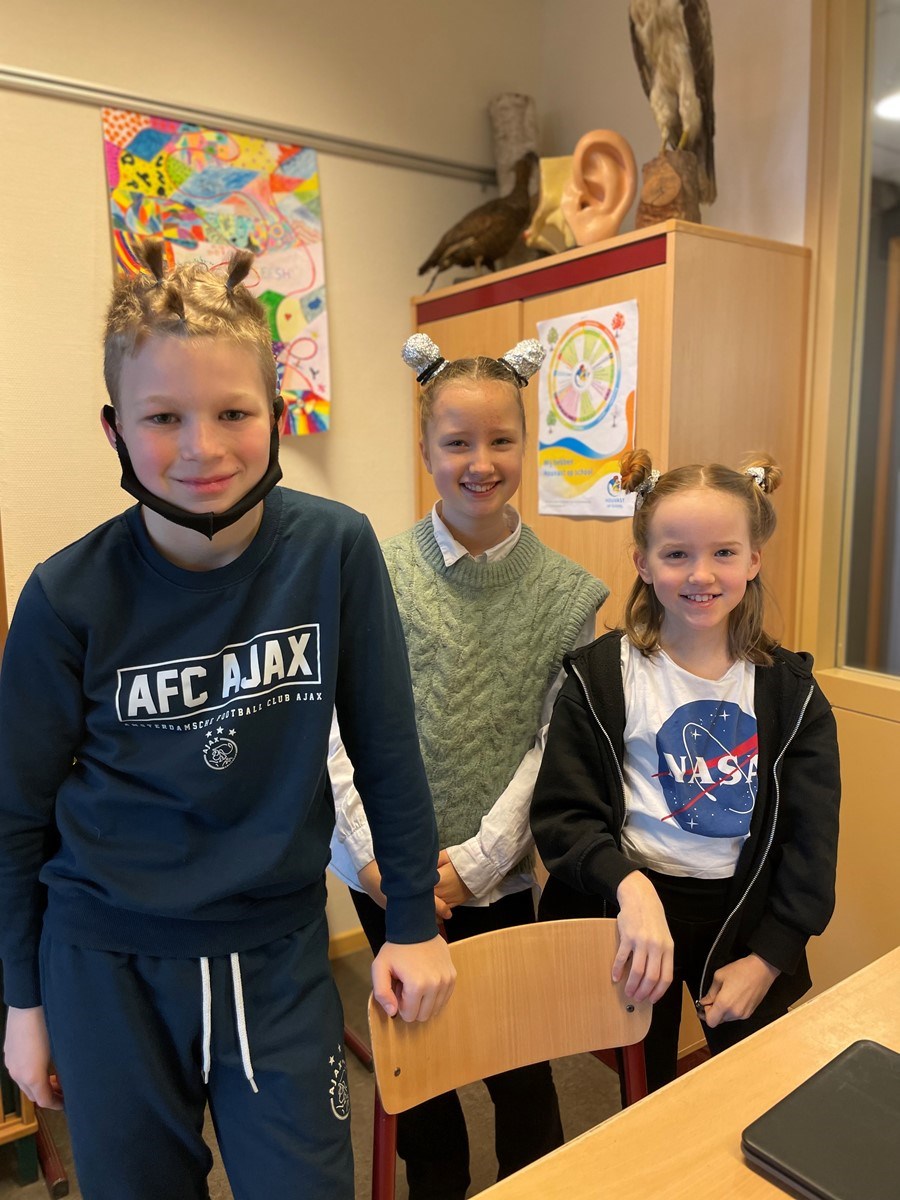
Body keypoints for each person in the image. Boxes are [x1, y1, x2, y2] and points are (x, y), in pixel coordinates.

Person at [0, 240, 455, 1200]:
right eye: (163, 416)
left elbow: (386, 746)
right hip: (107, 959)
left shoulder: (334, 550)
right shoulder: (65, 596)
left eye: (233, 413)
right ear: (115, 428)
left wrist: (413, 922)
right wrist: (21, 1000)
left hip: (277, 950)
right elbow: (15, 816)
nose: (201, 448)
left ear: (275, 415)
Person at [328, 332, 609, 1200]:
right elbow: (332, 721)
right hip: (381, 869)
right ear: (425, 450)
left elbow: (552, 744)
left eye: (501, 440)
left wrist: (477, 863)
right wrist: (378, 860)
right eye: (457, 442)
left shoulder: (567, 593)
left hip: (499, 872)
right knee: (419, 1070)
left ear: (526, 445)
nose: (480, 462)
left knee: (520, 1065)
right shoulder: (372, 571)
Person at [531, 449, 841, 1092]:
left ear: (754, 559)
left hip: (745, 915)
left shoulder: (792, 694)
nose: (701, 574)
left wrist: (769, 957)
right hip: (631, 908)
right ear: (643, 563)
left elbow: (811, 844)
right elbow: (563, 818)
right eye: (676, 554)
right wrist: (630, 887)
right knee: (641, 1091)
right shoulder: (600, 677)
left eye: (724, 552)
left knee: (747, 1093)